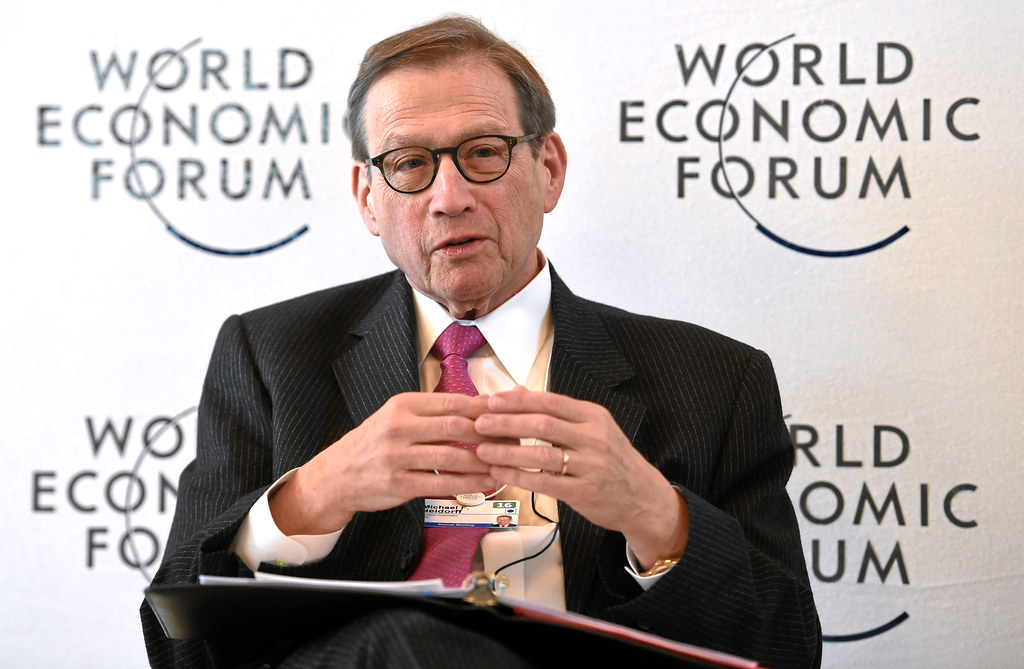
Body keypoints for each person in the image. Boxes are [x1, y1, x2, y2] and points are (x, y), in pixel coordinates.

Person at [141, 14, 821, 669]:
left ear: (549, 167)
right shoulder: (270, 356)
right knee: (407, 643)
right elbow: (180, 647)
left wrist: (654, 514)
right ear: (367, 197)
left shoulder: (715, 381)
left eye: (483, 154)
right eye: (410, 165)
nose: (449, 197)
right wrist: (315, 495)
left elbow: (788, 652)